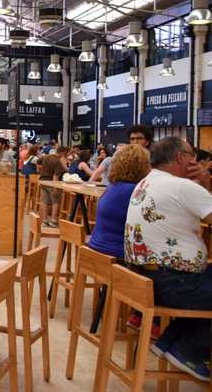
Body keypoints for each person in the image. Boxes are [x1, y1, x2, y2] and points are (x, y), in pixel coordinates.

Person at [124, 137, 212, 382]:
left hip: (143, 278)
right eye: (192, 156)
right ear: (181, 158)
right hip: (172, 282)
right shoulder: (183, 187)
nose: (196, 161)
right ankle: (190, 349)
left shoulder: (147, 181)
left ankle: (173, 344)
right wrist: (207, 182)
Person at [88, 145, 150, 259]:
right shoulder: (136, 191)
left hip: (96, 250)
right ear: (143, 167)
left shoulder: (111, 188)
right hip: (118, 255)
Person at [38, 150, 66, 227]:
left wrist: (43, 168)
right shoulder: (57, 162)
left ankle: (45, 221)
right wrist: (55, 188)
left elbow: (38, 161)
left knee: (44, 201)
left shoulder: (46, 156)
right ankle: (53, 221)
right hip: (51, 182)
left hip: (43, 181)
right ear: (62, 153)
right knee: (55, 201)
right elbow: (55, 176)